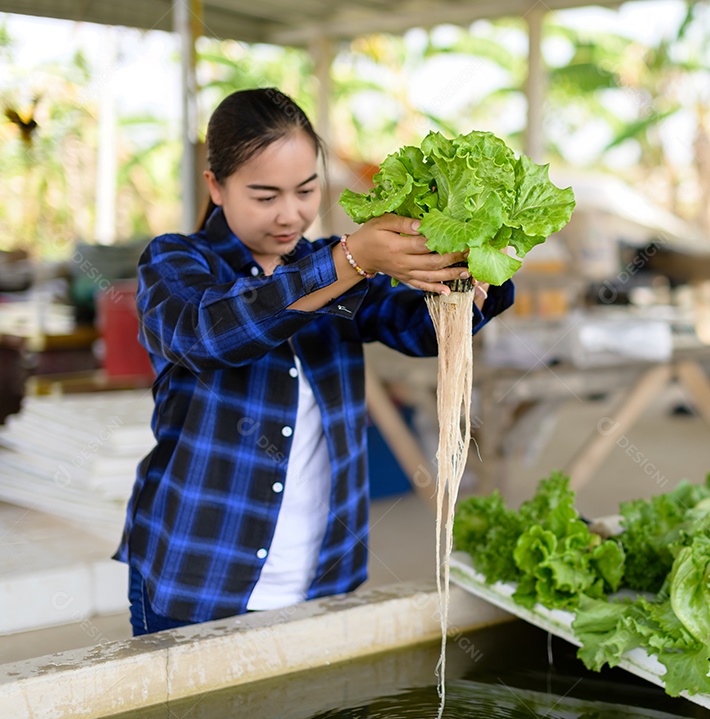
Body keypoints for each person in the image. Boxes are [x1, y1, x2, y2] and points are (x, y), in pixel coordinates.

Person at [114, 87, 514, 635]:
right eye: (264, 195)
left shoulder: (324, 264)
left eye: (305, 190)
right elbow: (207, 335)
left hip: (325, 577)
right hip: (200, 575)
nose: (290, 213)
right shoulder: (176, 260)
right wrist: (348, 261)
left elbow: (414, 328)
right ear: (216, 185)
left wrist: (469, 271)